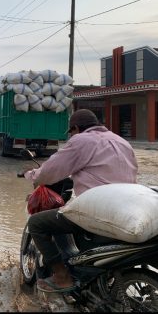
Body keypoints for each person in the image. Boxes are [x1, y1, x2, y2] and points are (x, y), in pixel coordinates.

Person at [24, 109, 138, 293]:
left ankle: (62, 277)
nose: (71, 135)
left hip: (99, 209)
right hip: (128, 208)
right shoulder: (121, 141)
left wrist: (32, 175)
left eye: (71, 132)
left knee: (36, 223)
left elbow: (51, 170)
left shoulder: (81, 140)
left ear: (76, 128)